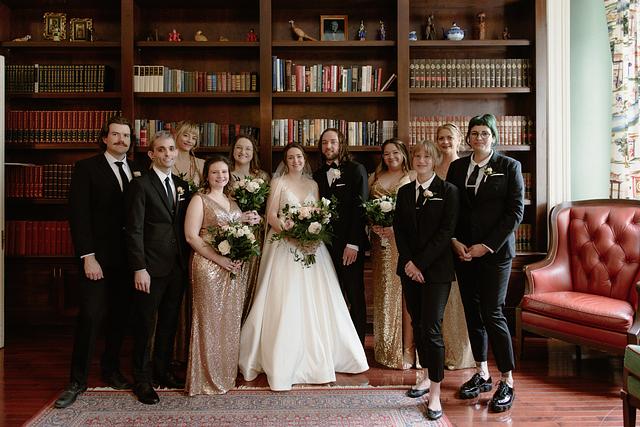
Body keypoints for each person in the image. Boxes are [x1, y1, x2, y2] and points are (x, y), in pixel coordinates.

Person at [239, 143, 369, 391]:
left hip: (312, 247)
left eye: (299, 156)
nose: (295, 161)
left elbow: (320, 214)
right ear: (285, 161)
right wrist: (290, 233)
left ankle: (322, 354)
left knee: (319, 299)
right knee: (285, 298)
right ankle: (283, 356)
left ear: (304, 159)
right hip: (284, 245)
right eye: (291, 157)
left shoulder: (313, 184)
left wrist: (311, 234)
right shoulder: (278, 183)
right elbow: (271, 215)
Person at [55, 116, 140, 409]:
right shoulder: (87, 168)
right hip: (97, 259)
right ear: (104, 138)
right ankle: (76, 381)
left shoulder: (137, 169)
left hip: (127, 259)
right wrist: (87, 256)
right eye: (115, 134)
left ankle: (111, 369)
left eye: (126, 135)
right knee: (91, 317)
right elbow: (78, 215)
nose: (121, 140)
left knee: (119, 317)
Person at [446, 114, 524, 413]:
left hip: (495, 254)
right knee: (472, 313)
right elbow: (451, 207)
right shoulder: (457, 167)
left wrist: (486, 246)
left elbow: (515, 213)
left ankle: (507, 379)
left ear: (493, 136)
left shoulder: (510, 166)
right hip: (464, 252)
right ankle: (481, 372)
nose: (479, 138)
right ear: (468, 137)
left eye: (484, 133)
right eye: (474, 133)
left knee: (493, 313)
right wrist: (455, 240)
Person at [394, 140, 459, 421]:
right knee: (418, 324)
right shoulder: (405, 192)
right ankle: (424, 375)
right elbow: (399, 229)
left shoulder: (449, 191)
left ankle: (435, 392)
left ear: (435, 160)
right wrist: (409, 263)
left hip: (436, 271)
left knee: (432, 327)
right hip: (409, 269)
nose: (421, 160)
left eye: (427, 156)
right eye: (417, 156)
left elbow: (446, 232)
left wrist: (420, 263)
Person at [184, 156, 260, 395]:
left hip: (232, 268)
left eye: (224, 172)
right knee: (208, 321)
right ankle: (204, 379)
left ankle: (225, 375)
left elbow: (238, 230)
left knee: (229, 320)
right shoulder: (199, 199)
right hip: (208, 266)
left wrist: (250, 223)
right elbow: (191, 236)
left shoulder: (232, 201)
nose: (220, 176)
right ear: (207, 175)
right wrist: (219, 260)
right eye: (215, 172)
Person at [126, 131, 191, 405]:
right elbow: (134, 229)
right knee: (145, 324)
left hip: (176, 266)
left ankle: (162, 371)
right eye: (161, 149)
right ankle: (141, 379)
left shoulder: (181, 185)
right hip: (150, 268)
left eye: (171, 149)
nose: (168, 154)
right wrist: (139, 267)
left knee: (168, 323)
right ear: (152, 154)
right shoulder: (140, 185)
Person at [312, 128, 369, 344]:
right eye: (324, 143)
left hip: (350, 245)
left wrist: (353, 244)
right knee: (330, 296)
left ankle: (358, 345)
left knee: (354, 294)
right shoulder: (317, 176)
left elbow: (360, 208)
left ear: (341, 144)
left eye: (333, 142)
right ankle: (335, 344)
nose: (328, 146)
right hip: (325, 247)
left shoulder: (356, 170)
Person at [367, 138, 415, 369]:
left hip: (403, 242)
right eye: (386, 153)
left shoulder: (412, 176)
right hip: (380, 243)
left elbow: (416, 211)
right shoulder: (374, 177)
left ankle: (408, 349)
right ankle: (387, 347)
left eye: (395, 152)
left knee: (405, 295)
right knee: (385, 292)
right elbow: (366, 207)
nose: (391, 157)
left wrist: (396, 228)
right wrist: (373, 224)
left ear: (403, 153)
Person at [434, 123, 475, 371]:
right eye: (441, 138)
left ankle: (458, 352)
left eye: (449, 137)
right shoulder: (432, 167)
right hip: (435, 241)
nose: (445, 142)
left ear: (459, 139)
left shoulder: (464, 168)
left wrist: (456, 238)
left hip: (460, 240)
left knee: (458, 299)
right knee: (437, 298)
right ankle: (436, 351)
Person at [170, 120, 204, 366]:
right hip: (172, 226)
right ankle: (172, 350)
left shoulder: (201, 165)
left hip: (196, 227)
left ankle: (191, 349)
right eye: (186, 135)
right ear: (176, 135)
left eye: (194, 137)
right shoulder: (166, 159)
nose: (189, 140)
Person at [229, 134, 270, 322]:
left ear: (254, 153)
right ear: (233, 150)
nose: (243, 152)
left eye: (248, 148)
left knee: (252, 282)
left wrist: (259, 219)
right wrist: (237, 217)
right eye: (239, 147)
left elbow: (270, 210)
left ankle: (247, 326)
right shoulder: (225, 173)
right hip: (230, 235)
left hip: (255, 236)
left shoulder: (262, 177)